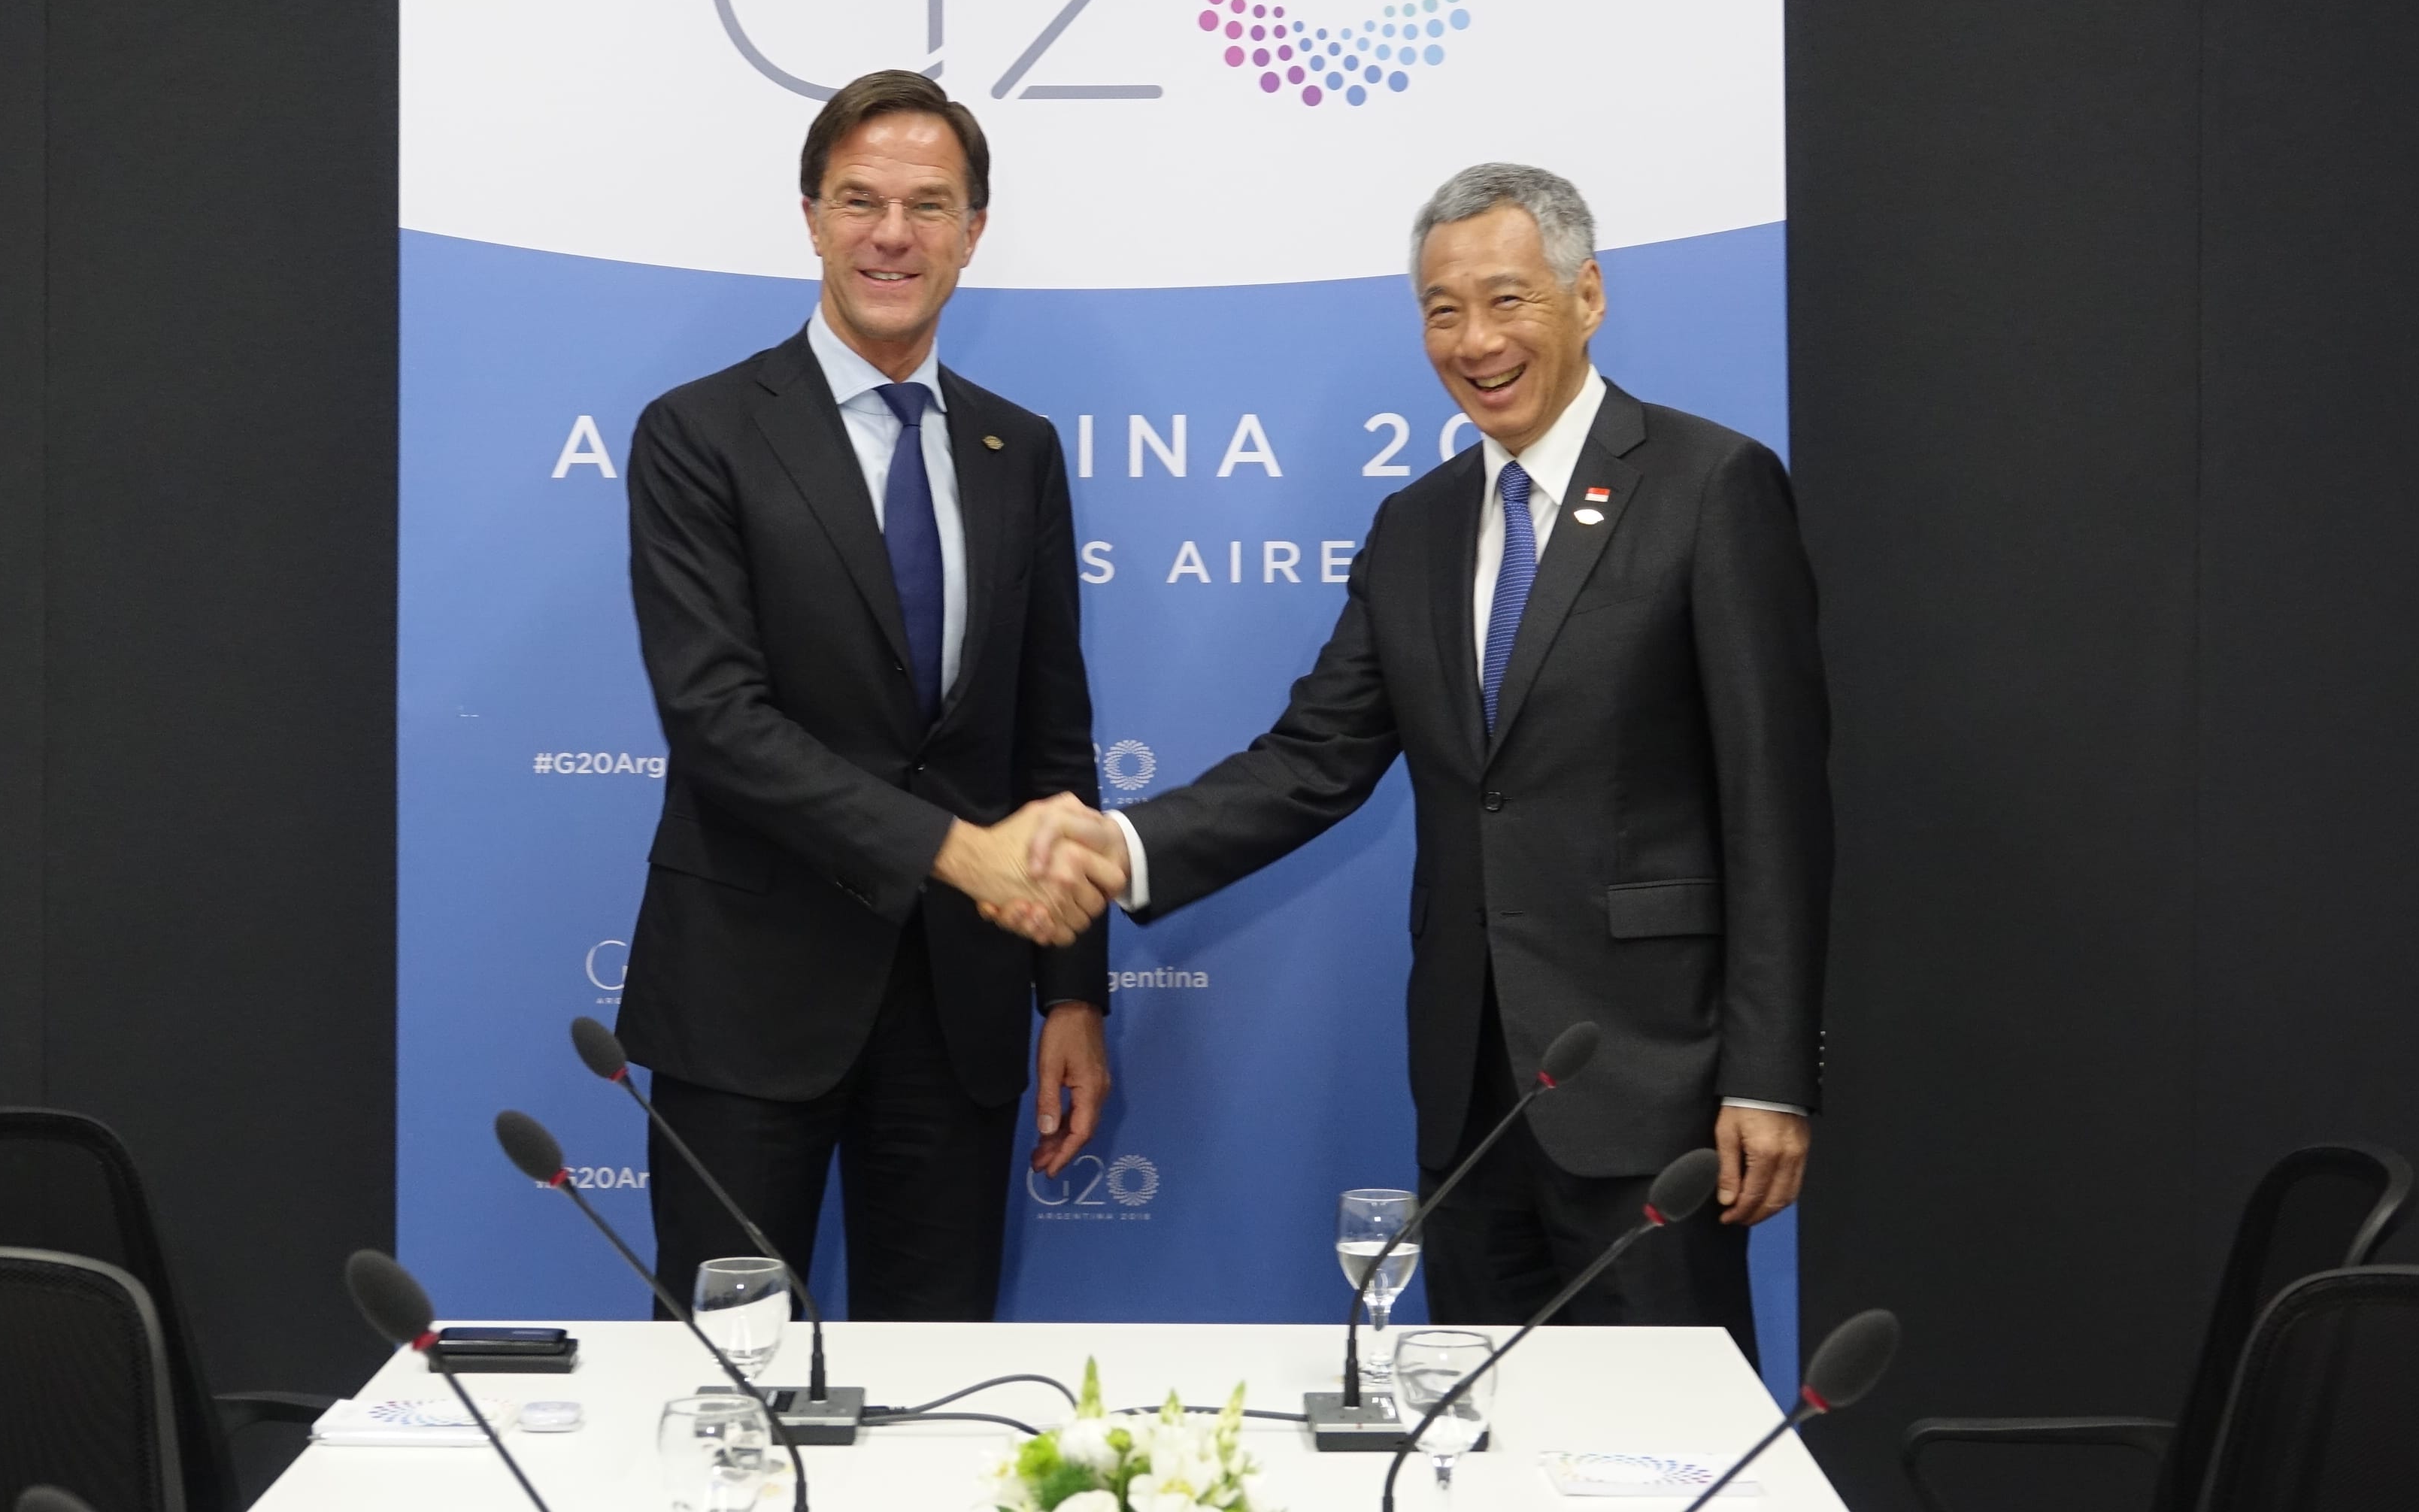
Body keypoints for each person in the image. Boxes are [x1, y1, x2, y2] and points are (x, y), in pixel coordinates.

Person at [1020, 163, 1829, 1352]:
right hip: (1471, 1091)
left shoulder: (1711, 486)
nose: (1475, 341)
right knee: (1473, 1412)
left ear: (1587, 296)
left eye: (1507, 300)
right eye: (1443, 311)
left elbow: (1776, 807)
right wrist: (1121, 845)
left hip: (1656, 1082)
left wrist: (1768, 1074)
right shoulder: (1419, 525)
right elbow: (1316, 755)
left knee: (1657, 1427)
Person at [614, 70, 1126, 1321]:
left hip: (960, 1012)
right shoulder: (700, 433)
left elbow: (1051, 738)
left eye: (928, 205)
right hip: (747, 1001)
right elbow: (718, 721)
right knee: (725, 1379)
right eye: (861, 200)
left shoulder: (1020, 450)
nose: (892, 234)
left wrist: (1072, 992)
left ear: (972, 233)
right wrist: (956, 850)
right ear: (811, 217)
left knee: (939, 1382)